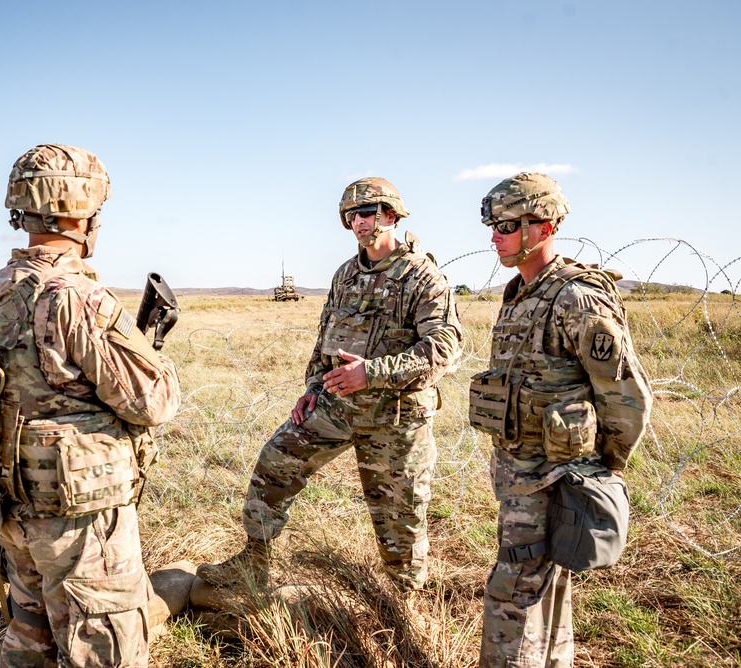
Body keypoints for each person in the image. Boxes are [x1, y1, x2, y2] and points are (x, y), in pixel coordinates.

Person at [0, 144, 180, 668]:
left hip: (12, 506)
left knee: (32, 637)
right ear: (83, 209)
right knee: (106, 649)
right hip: (77, 520)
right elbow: (153, 403)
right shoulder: (76, 296)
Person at [196, 177, 463, 592]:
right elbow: (326, 341)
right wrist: (311, 389)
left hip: (395, 420)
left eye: (367, 213)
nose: (358, 222)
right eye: (351, 215)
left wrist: (370, 373)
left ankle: (404, 603)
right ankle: (254, 563)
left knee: (400, 520)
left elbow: (443, 347)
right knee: (274, 465)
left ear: (390, 215)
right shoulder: (345, 274)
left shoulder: (422, 278)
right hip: (336, 407)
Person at [471, 172, 653, 666]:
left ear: (544, 226)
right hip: (519, 474)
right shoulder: (520, 292)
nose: (494, 236)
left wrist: (605, 469)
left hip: (554, 477)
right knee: (545, 590)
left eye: (506, 226)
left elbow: (627, 395)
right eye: (492, 226)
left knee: (513, 594)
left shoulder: (576, 298)